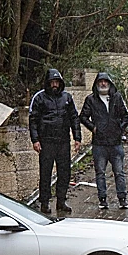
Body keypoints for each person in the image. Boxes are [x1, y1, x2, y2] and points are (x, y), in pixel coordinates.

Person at [29, 68, 82, 214]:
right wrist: (35, 140)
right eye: (52, 82)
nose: (54, 85)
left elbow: (74, 118)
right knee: (45, 174)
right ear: (47, 83)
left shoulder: (67, 98)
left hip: (63, 141)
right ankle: (44, 203)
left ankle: (61, 201)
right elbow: (33, 120)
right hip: (46, 142)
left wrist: (77, 138)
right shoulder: (39, 98)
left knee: (65, 173)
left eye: (56, 82)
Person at [79, 72, 128, 210]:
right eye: (100, 81)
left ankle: (122, 199)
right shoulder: (91, 99)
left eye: (105, 81)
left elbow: (125, 116)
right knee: (100, 172)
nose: (103, 84)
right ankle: (102, 199)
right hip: (99, 143)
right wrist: (93, 128)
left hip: (115, 143)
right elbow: (83, 116)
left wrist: (120, 129)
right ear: (96, 84)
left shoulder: (117, 98)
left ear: (109, 83)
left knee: (119, 172)